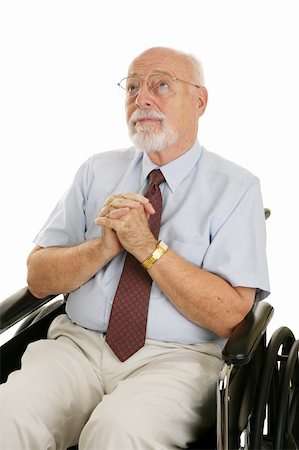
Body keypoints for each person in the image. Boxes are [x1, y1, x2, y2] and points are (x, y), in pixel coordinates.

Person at [0, 46, 270, 449]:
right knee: (9, 416)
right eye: (132, 88)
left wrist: (147, 247)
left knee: (117, 433)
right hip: (80, 345)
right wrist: (103, 247)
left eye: (161, 85)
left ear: (199, 101)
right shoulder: (97, 170)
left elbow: (232, 317)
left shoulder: (236, 188)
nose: (142, 98)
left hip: (178, 358)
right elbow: (38, 277)